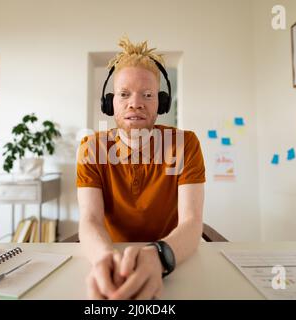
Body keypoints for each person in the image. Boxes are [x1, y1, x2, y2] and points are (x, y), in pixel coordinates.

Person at [76, 36, 206, 300]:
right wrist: (106, 259)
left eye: (147, 95)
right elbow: (90, 219)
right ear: (110, 102)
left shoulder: (185, 144)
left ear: (161, 102)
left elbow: (192, 222)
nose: (135, 103)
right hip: (112, 256)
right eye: (124, 94)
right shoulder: (91, 147)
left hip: (171, 259)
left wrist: (159, 257)